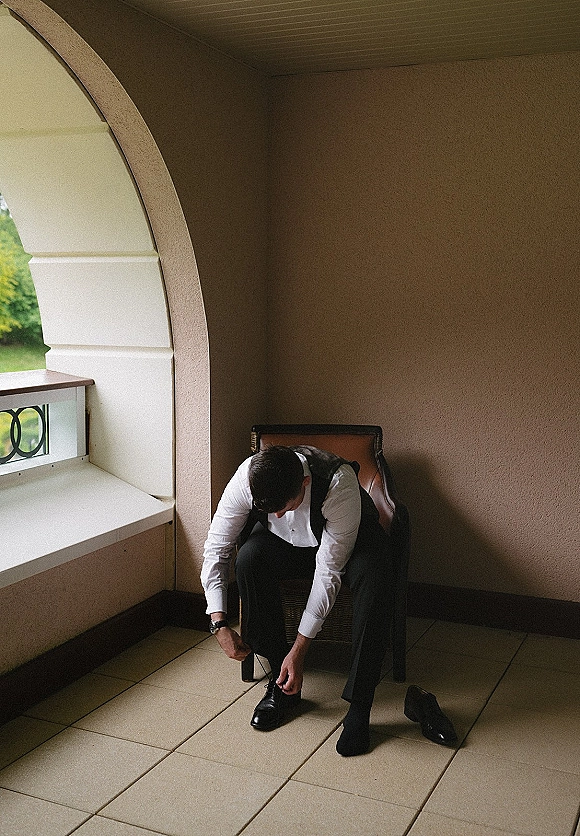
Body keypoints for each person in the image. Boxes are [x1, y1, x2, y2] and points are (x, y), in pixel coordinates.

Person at [201, 443, 394, 757]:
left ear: (304, 482)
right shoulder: (247, 478)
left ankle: (360, 706)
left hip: (351, 540)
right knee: (249, 558)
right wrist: (219, 623)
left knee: (376, 575)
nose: (276, 515)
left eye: (283, 507)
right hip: (289, 545)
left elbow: (329, 570)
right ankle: (283, 683)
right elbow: (216, 549)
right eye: (269, 509)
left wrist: (301, 648)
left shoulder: (338, 483)